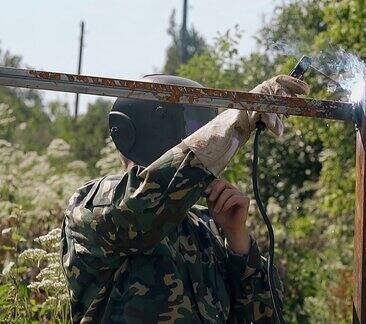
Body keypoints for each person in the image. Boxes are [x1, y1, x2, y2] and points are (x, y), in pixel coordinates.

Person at [60, 74, 310, 323]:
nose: (199, 137)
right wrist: (240, 118)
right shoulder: (90, 206)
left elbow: (264, 318)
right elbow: (145, 199)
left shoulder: (207, 226)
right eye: (195, 129)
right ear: (150, 125)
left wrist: (237, 239)